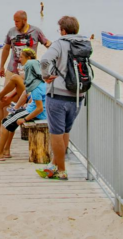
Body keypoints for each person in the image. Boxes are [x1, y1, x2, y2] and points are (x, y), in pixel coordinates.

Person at [38, 15, 92, 180]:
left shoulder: (60, 43)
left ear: (63, 30)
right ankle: (55, 165)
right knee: (65, 132)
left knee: (56, 133)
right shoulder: (84, 43)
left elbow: (45, 60)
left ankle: (61, 170)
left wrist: (46, 76)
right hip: (77, 95)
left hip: (58, 95)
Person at [0, 62, 47, 161]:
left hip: (33, 113)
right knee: (11, 121)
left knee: (5, 123)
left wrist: (25, 119)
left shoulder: (36, 88)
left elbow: (39, 108)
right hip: (34, 110)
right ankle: (6, 151)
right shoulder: (41, 83)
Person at [0, 11, 49, 79]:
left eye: (17, 21)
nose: (15, 23)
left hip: (30, 71)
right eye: (14, 21)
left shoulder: (36, 31)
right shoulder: (11, 31)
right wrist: (1, 66)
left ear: (24, 20)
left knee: (27, 90)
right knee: (7, 89)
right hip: (12, 69)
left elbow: (47, 44)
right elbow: (6, 49)